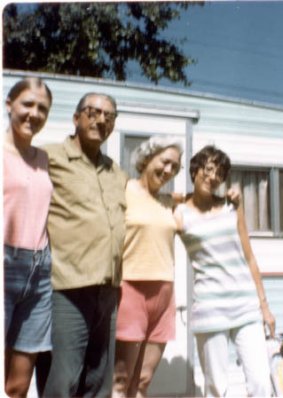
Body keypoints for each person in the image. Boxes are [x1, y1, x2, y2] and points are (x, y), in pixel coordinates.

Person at [40, 92, 128, 397]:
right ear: (76, 118)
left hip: (108, 290)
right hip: (68, 287)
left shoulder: (116, 172)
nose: (101, 120)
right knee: (62, 379)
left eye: (109, 116)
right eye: (93, 112)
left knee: (98, 381)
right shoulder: (47, 158)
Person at [174, 145, 276, 397]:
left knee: (261, 382)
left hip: (246, 305)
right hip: (210, 308)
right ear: (195, 170)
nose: (213, 177)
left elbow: (249, 257)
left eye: (219, 173)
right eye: (208, 169)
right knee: (217, 388)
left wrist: (264, 306)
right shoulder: (179, 213)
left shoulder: (232, 206)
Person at [113, 136, 183, 398]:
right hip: (130, 290)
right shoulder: (124, 190)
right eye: (164, 162)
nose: (168, 171)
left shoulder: (168, 202)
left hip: (164, 295)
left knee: (142, 382)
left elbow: (200, 201)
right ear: (146, 158)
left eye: (174, 167)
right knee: (120, 381)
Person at [3, 77, 53, 397]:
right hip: (4, 263)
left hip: (40, 272)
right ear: (9, 105)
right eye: (27, 104)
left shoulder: (46, 159)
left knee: (19, 385)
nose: (34, 113)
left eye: (42, 108)